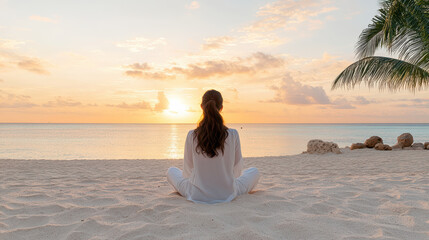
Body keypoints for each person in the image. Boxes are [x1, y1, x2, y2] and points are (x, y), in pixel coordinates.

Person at [166, 89, 260, 204]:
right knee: (254, 172)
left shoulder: (192, 135)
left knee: (171, 171)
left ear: (201, 107)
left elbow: (187, 171)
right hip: (228, 193)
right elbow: (237, 169)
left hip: (197, 194)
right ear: (221, 108)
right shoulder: (233, 134)